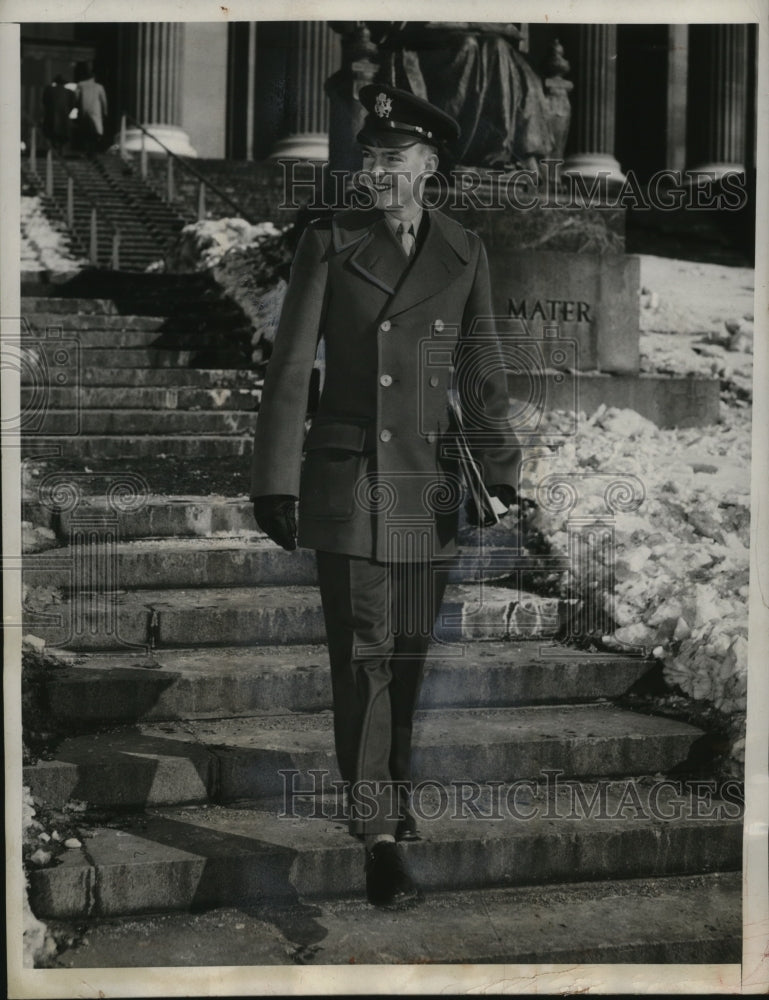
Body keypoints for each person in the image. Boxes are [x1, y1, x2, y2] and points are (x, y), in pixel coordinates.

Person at [251, 83, 521, 908]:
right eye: (367, 157)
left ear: (428, 166)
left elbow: (480, 366)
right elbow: (292, 365)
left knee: (408, 656)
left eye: (393, 158)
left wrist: (500, 469)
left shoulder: (464, 248)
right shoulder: (329, 243)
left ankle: (393, 797)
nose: (376, 171)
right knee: (362, 655)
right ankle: (375, 834)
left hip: (429, 486)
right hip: (350, 476)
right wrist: (275, 477)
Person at [74, 61, 108, 155]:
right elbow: (104, 101)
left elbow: (76, 99)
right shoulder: (99, 87)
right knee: (96, 131)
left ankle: (87, 149)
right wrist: (105, 112)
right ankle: (93, 150)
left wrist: (76, 108)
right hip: (96, 113)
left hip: (84, 111)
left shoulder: (80, 85)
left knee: (86, 131)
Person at [41, 74, 75, 152]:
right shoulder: (69, 92)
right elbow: (72, 104)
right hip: (63, 117)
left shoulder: (49, 90)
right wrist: (67, 112)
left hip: (51, 116)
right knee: (62, 135)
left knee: (52, 134)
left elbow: (45, 102)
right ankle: (60, 149)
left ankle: (54, 148)